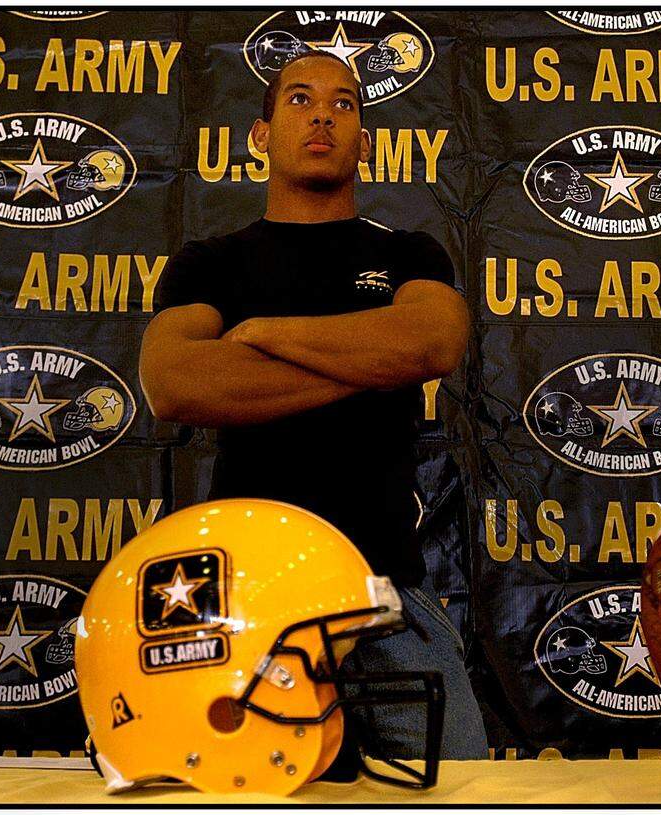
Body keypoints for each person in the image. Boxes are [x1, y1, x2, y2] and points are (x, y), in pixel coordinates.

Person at [139, 49, 486, 771]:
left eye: (344, 103)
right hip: (243, 600)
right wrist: (369, 356)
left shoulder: (408, 253)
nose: (323, 113)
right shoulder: (212, 262)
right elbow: (174, 382)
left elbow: (435, 340)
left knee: (463, 790)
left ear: (364, 140)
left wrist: (267, 335)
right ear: (260, 134)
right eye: (299, 99)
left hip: (383, 590)